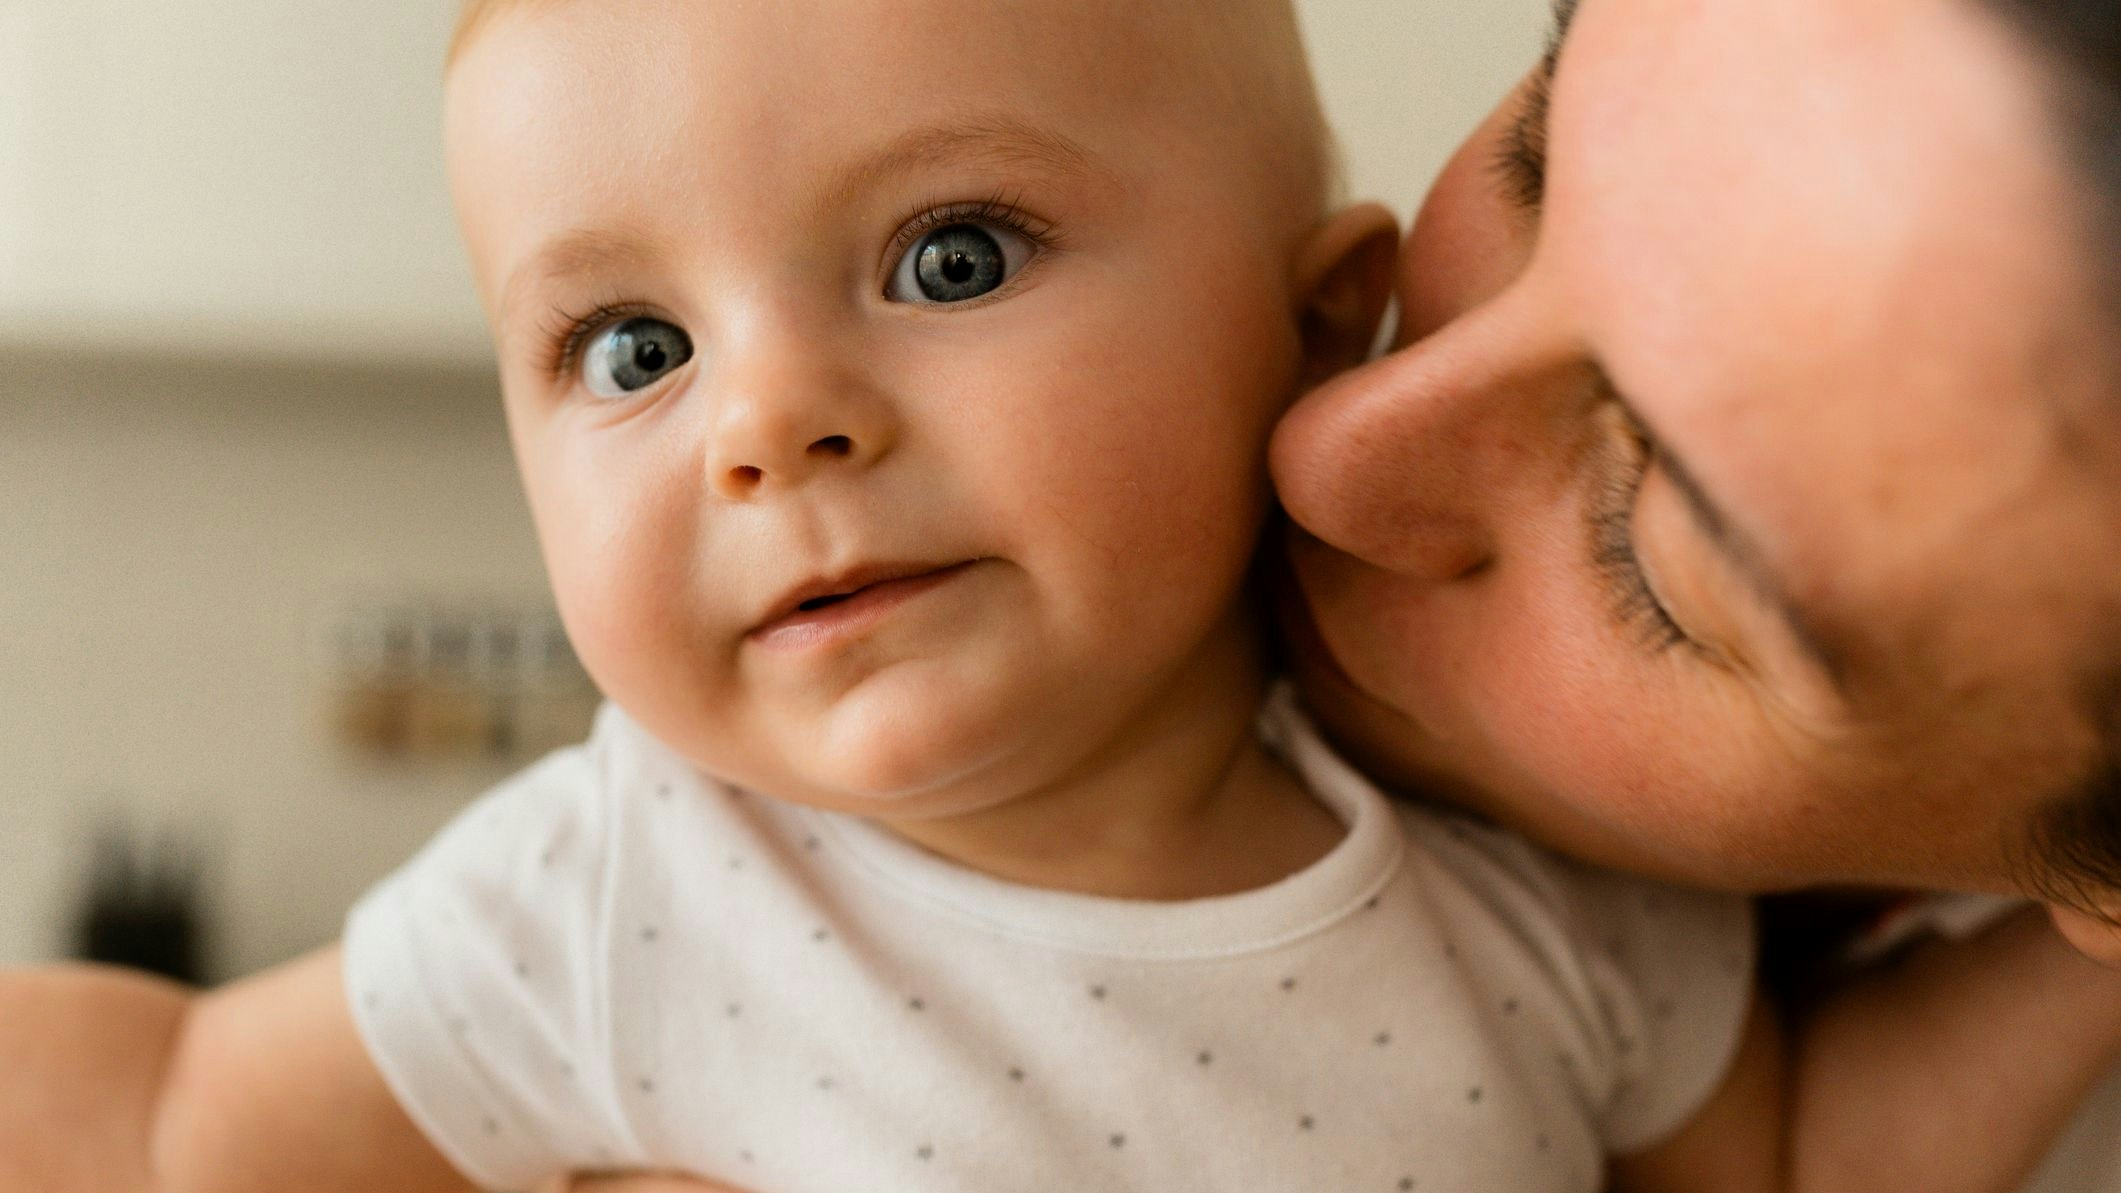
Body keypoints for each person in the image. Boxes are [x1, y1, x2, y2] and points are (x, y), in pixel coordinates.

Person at [0, 2, 2115, 1193]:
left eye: (952, 260)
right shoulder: (626, 890)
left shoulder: (1540, 911)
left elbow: (1799, 1171)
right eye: (628, 353)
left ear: (1301, 313)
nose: (766, 422)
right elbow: (162, 1118)